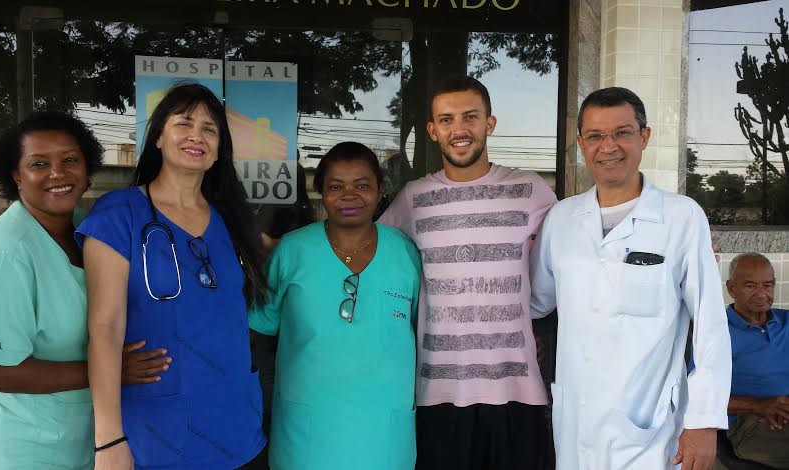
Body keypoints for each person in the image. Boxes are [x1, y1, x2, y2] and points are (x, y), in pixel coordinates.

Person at [530, 87, 732, 470]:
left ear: (644, 136)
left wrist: (704, 421)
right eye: (595, 136)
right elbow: (536, 301)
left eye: (622, 132)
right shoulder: (561, 219)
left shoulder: (681, 218)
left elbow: (711, 326)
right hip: (577, 425)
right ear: (580, 143)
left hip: (650, 429)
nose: (608, 146)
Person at [0, 112, 168, 469]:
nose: (58, 173)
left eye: (70, 160)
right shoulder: (7, 253)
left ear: (88, 170)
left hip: (74, 443)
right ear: (16, 176)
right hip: (20, 452)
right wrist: (111, 370)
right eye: (39, 163)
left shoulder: (82, 235)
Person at [78, 83, 268, 469]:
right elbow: (105, 329)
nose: (197, 135)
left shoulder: (231, 220)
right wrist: (109, 439)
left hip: (237, 428)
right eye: (184, 123)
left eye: (210, 129)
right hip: (156, 432)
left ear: (218, 152)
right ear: (159, 137)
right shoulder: (119, 215)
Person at [379, 75, 557, 469]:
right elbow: (375, 258)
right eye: (446, 120)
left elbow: (572, 254)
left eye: (470, 117)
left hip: (517, 389)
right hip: (438, 392)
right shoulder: (413, 198)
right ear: (432, 130)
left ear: (489, 124)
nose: (458, 129)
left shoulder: (529, 189)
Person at [248, 142, 421, 470]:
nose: (349, 195)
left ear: (380, 190)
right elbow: (256, 329)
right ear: (321, 193)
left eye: (362, 185)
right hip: (306, 437)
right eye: (335, 186)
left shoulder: (406, 254)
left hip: (384, 436)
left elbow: (419, 330)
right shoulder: (292, 252)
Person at [723, 253, 789, 468]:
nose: (762, 294)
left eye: (767, 285)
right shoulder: (717, 332)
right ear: (731, 288)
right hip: (749, 423)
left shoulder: (785, 321)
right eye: (750, 286)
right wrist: (760, 405)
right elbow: (697, 397)